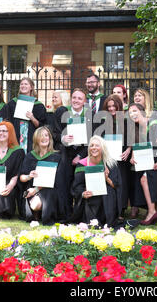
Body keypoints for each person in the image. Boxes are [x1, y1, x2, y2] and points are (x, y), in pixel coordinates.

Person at [68, 135, 123, 227]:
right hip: (90, 198)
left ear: (103, 148)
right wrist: (83, 193)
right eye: (91, 145)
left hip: (106, 200)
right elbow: (77, 186)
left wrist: (106, 179)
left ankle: (108, 219)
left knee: (109, 190)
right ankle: (91, 220)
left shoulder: (110, 163)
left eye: (97, 145)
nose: (94, 148)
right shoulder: (82, 164)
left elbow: (116, 186)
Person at [54, 88, 91, 218]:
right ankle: (66, 214)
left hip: (83, 153)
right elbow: (54, 133)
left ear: (84, 101)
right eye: (74, 98)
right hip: (65, 152)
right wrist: (62, 138)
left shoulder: (89, 115)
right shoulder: (62, 112)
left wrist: (80, 155)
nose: (76, 100)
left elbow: (92, 138)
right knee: (64, 183)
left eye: (79, 98)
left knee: (79, 185)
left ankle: (79, 214)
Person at [19, 126, 66, 224]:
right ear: (36, 139)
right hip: (31, 189)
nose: (45, 138)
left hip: (50, 190)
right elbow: (21, 177)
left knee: (36, 204)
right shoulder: (30, 156)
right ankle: (37, 214)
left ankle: (42, 214)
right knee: (34, 205)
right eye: (41, 136)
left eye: (47, 135)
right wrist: (29, 176)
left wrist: (36, 189)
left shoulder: (56, 157)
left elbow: (55, 181)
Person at [128, 103, 157, 225]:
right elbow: (137, 147)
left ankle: (152, 211)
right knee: (142, 179)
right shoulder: (137, 128)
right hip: (147, 161)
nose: (132, 114)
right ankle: (155, 209)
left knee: (144, 180)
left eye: (135, 111)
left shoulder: (152, 124)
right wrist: (133, 156)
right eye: (130, 112)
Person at [101, 94, 131, 215]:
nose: (112, 109)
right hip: (109, 156)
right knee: (111, 180)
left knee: (123, 181)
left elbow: (132, 136)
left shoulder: (126, 120)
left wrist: (129, 149)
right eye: (109, 107)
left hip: (123, 155)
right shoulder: (103, 121)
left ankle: (122, 209)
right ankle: (111, 208)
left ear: (119, 105)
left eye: (114, 106)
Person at [6, 77, 47, 153]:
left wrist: (32, 117)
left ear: (31, 87)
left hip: (31, 140)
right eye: (21, 84)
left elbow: (41, 126)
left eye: (26, 84)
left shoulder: (38, 106)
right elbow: (8, 122)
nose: (23, 86)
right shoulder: (12, 104)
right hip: (15, 138)